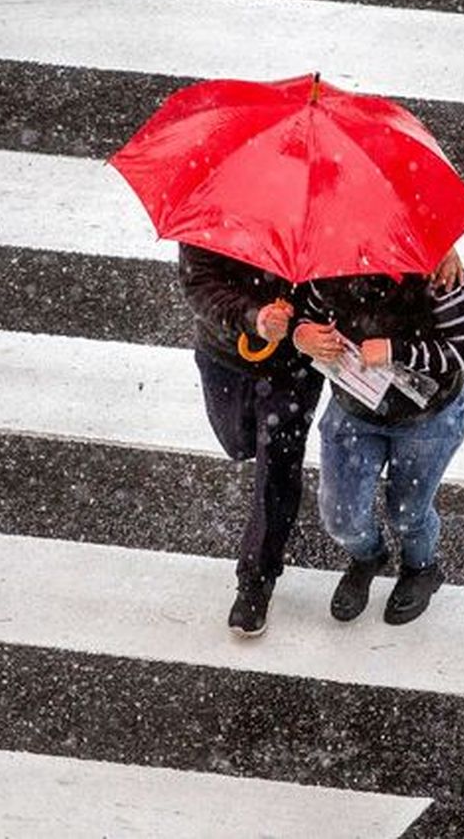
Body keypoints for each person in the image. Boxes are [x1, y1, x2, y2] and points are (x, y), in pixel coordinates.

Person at [292, 267, 464, 625]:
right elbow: (308, 314)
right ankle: (368, 557)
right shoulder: (328, 265)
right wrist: (304, 335)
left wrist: (397, 350)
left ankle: (420, 568)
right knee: (341, 518)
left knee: (408, 513)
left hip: (429, 418)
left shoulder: (438, 271)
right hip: (354, 409)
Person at [179, 244, 324, 637]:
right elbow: (199, 283)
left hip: (293, 368)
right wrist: (254, 318)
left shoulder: (326, 211)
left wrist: (298, 329)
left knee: (276, 464)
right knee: (238, 442)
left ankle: (256, 578)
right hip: (223, 354)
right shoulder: (214, 203)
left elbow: (350, 286)